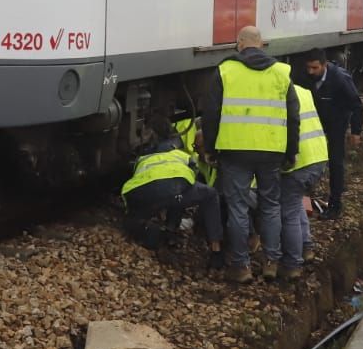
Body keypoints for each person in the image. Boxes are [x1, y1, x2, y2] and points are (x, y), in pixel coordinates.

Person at [202, 26, 299, 283]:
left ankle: (242, 266)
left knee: (237, 208)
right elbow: (293, 117)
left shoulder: (225, 71)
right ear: (262, 44)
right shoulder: (281, 72)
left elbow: (210, 115)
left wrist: (210, 149)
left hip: (234, 152)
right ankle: (270, 262)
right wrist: (292, 151)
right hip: (271, 151)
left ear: (239, 44)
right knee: (270, 206)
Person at [119, 127, 223, 268]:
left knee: (133, 220)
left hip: (142, 193)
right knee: (206, 194)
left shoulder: (142, 159)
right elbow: (192, 179)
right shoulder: (181, 155)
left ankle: (151, 232)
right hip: (175, 189)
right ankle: (215, 250)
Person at [303, 49, 363, 220]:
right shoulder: (306, 77)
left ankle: (335, 205)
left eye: (314, 68)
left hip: (337, 121)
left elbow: (356, 105)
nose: (310, 72)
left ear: (324, 65)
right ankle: (305, 202)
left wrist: (356, 131)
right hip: (316, 121)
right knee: (307, 159)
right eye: (308, 68)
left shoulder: (340, 79)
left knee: (336, 160)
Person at [277, 83, 330, 281]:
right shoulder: (303, 90)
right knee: (296, 201)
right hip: (317, 156)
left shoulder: (274, 96)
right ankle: (306, 247)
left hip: (299, 162)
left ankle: (292, 264)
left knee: (288, 212)